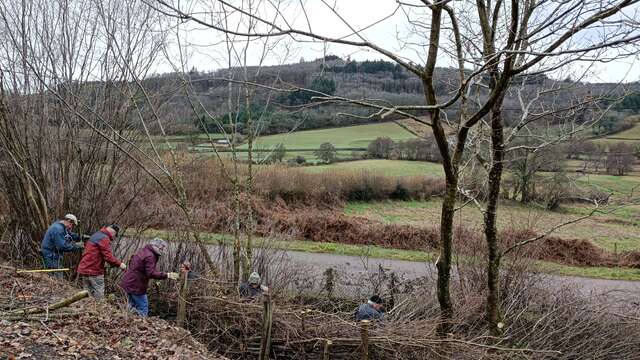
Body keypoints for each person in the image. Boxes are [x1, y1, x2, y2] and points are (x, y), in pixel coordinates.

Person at [119, 238, 179, 316]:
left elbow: (135, 264)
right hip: (136, 286)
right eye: (161, 248)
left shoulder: (143, 251)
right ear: (155, 246)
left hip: (128, 282)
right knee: (143, 308)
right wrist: (167, 275)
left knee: (130, 306)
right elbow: (151, 273)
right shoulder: (150, 256)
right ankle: (141, 325)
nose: (162, 250)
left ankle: (129, 321)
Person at [77, 224, 126, 299]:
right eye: (114, 235)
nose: (113, 238)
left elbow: (96, 253)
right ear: (113, 232)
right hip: (94, 270)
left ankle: (88, 308)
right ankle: (98, 309)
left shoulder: (96, 234)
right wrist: (120, 264)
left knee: (86, 293)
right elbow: (108, 257)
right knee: (99, 293)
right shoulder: (104, 238)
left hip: (84, 268)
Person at [40, 214, 84, 279]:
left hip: (54, 254)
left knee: (56, 275)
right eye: (71, 224)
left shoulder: (61, 227)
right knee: (56, 277)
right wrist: (77, 246)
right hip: (51, 256)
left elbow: (69, 235)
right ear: (68, 220)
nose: (71, 227)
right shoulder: (58, 229)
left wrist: (80, 237)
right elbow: (62, 246)